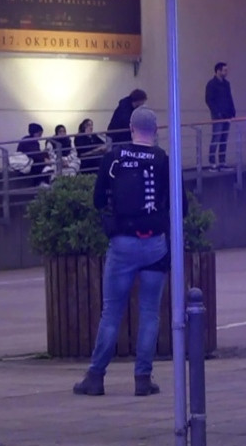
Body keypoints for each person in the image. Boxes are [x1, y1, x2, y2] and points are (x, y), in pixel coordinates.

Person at [73, 107, 179, 397]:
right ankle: (143, 378)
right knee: (149, 312)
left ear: (131, 128)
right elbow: (175, 201)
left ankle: (95, 377)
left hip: (122, 242)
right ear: (155, 131)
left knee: (112, 311)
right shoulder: (162, 160)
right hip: (154, 242)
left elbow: (98, 199)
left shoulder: (114, 158)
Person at [205, 63, 236, 170]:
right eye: (224, 70)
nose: (226, 73)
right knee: (216, 138)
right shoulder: (212, 84)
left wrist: (232, 112)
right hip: (218, 116)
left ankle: (222, 161)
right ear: (218, 71)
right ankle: (212, 162)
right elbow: (209, 100)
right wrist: (217, 112)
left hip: (227, 114)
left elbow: (229, 98)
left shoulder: (226, 84)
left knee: (223, 139)